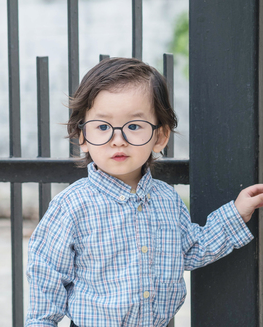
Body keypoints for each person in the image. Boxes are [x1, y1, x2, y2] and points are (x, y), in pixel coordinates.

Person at [25, 57, 263, 327]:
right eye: (102, 126)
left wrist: (237, 212)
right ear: (82, 136)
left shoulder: (167, 199)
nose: (118, 139)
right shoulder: (72, 205)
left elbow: (191, 248)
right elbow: (47, 273)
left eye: (134, 126)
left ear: (160, 137)